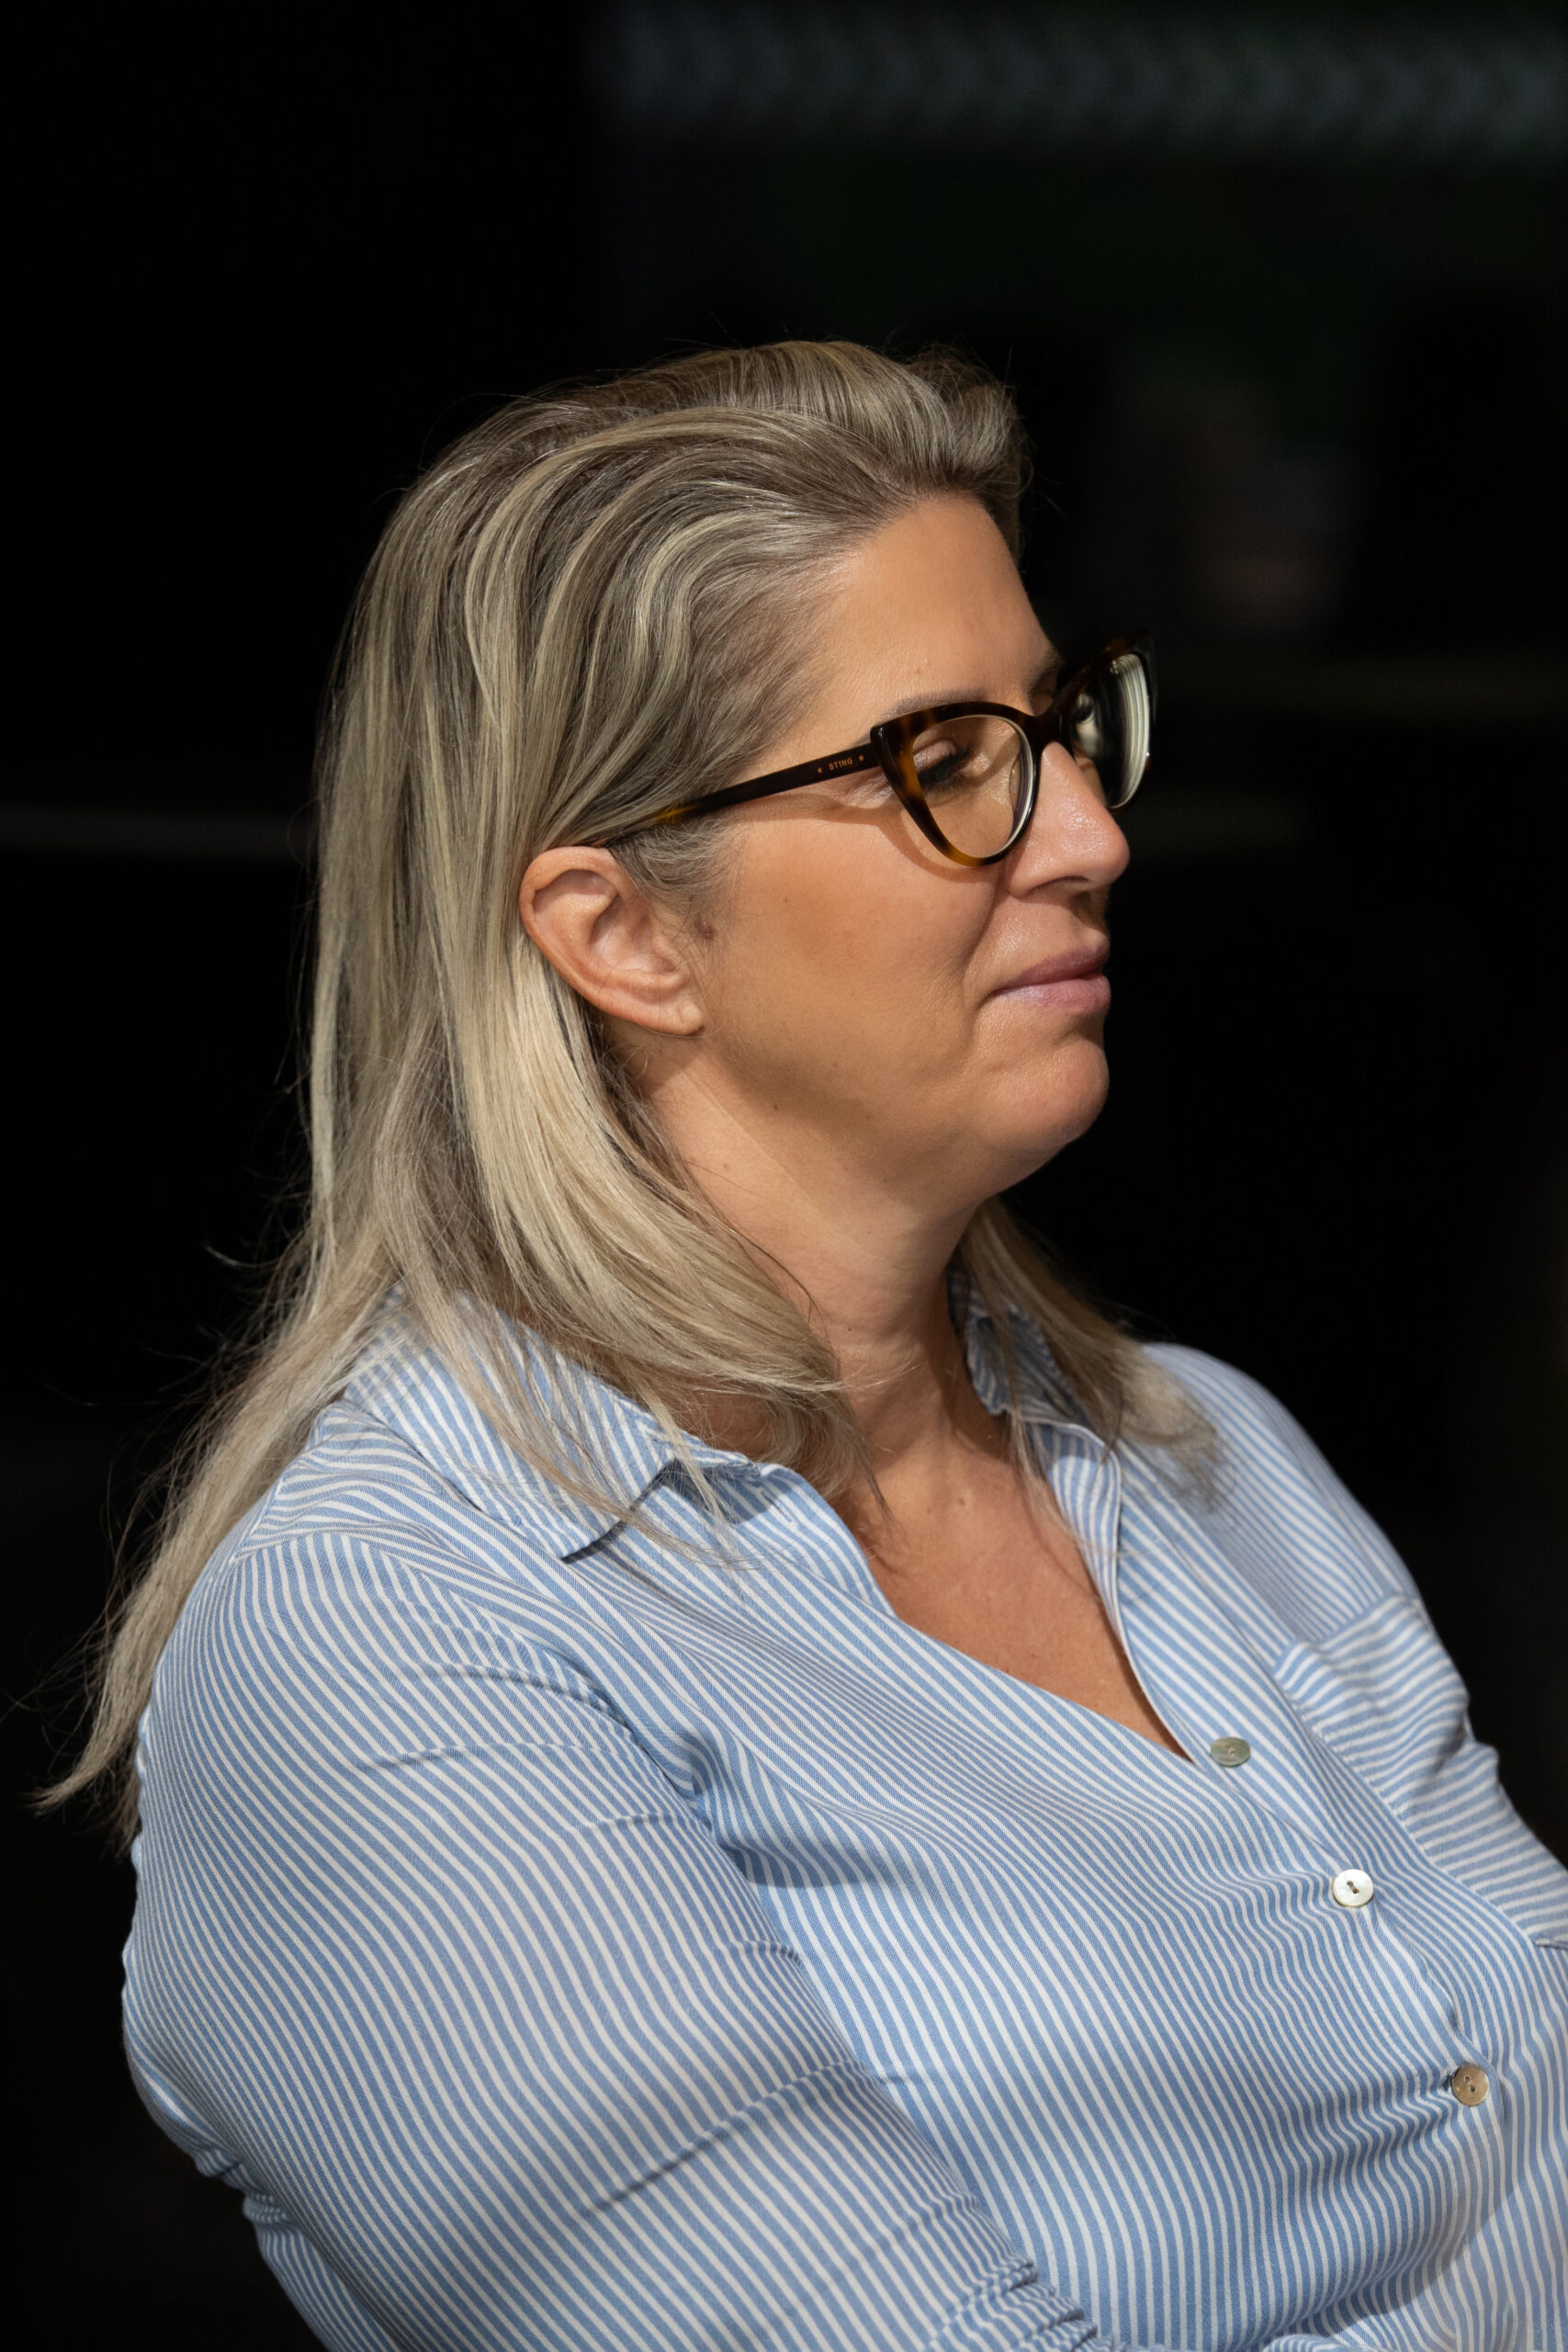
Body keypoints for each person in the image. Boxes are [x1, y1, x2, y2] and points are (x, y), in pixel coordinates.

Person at [58, 343, 1565, 2350]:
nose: (1086, 835)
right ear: (621, 933)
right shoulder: (386, 1645)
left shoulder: (1203, 1451)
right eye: (946, 763)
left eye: (1060, 728)